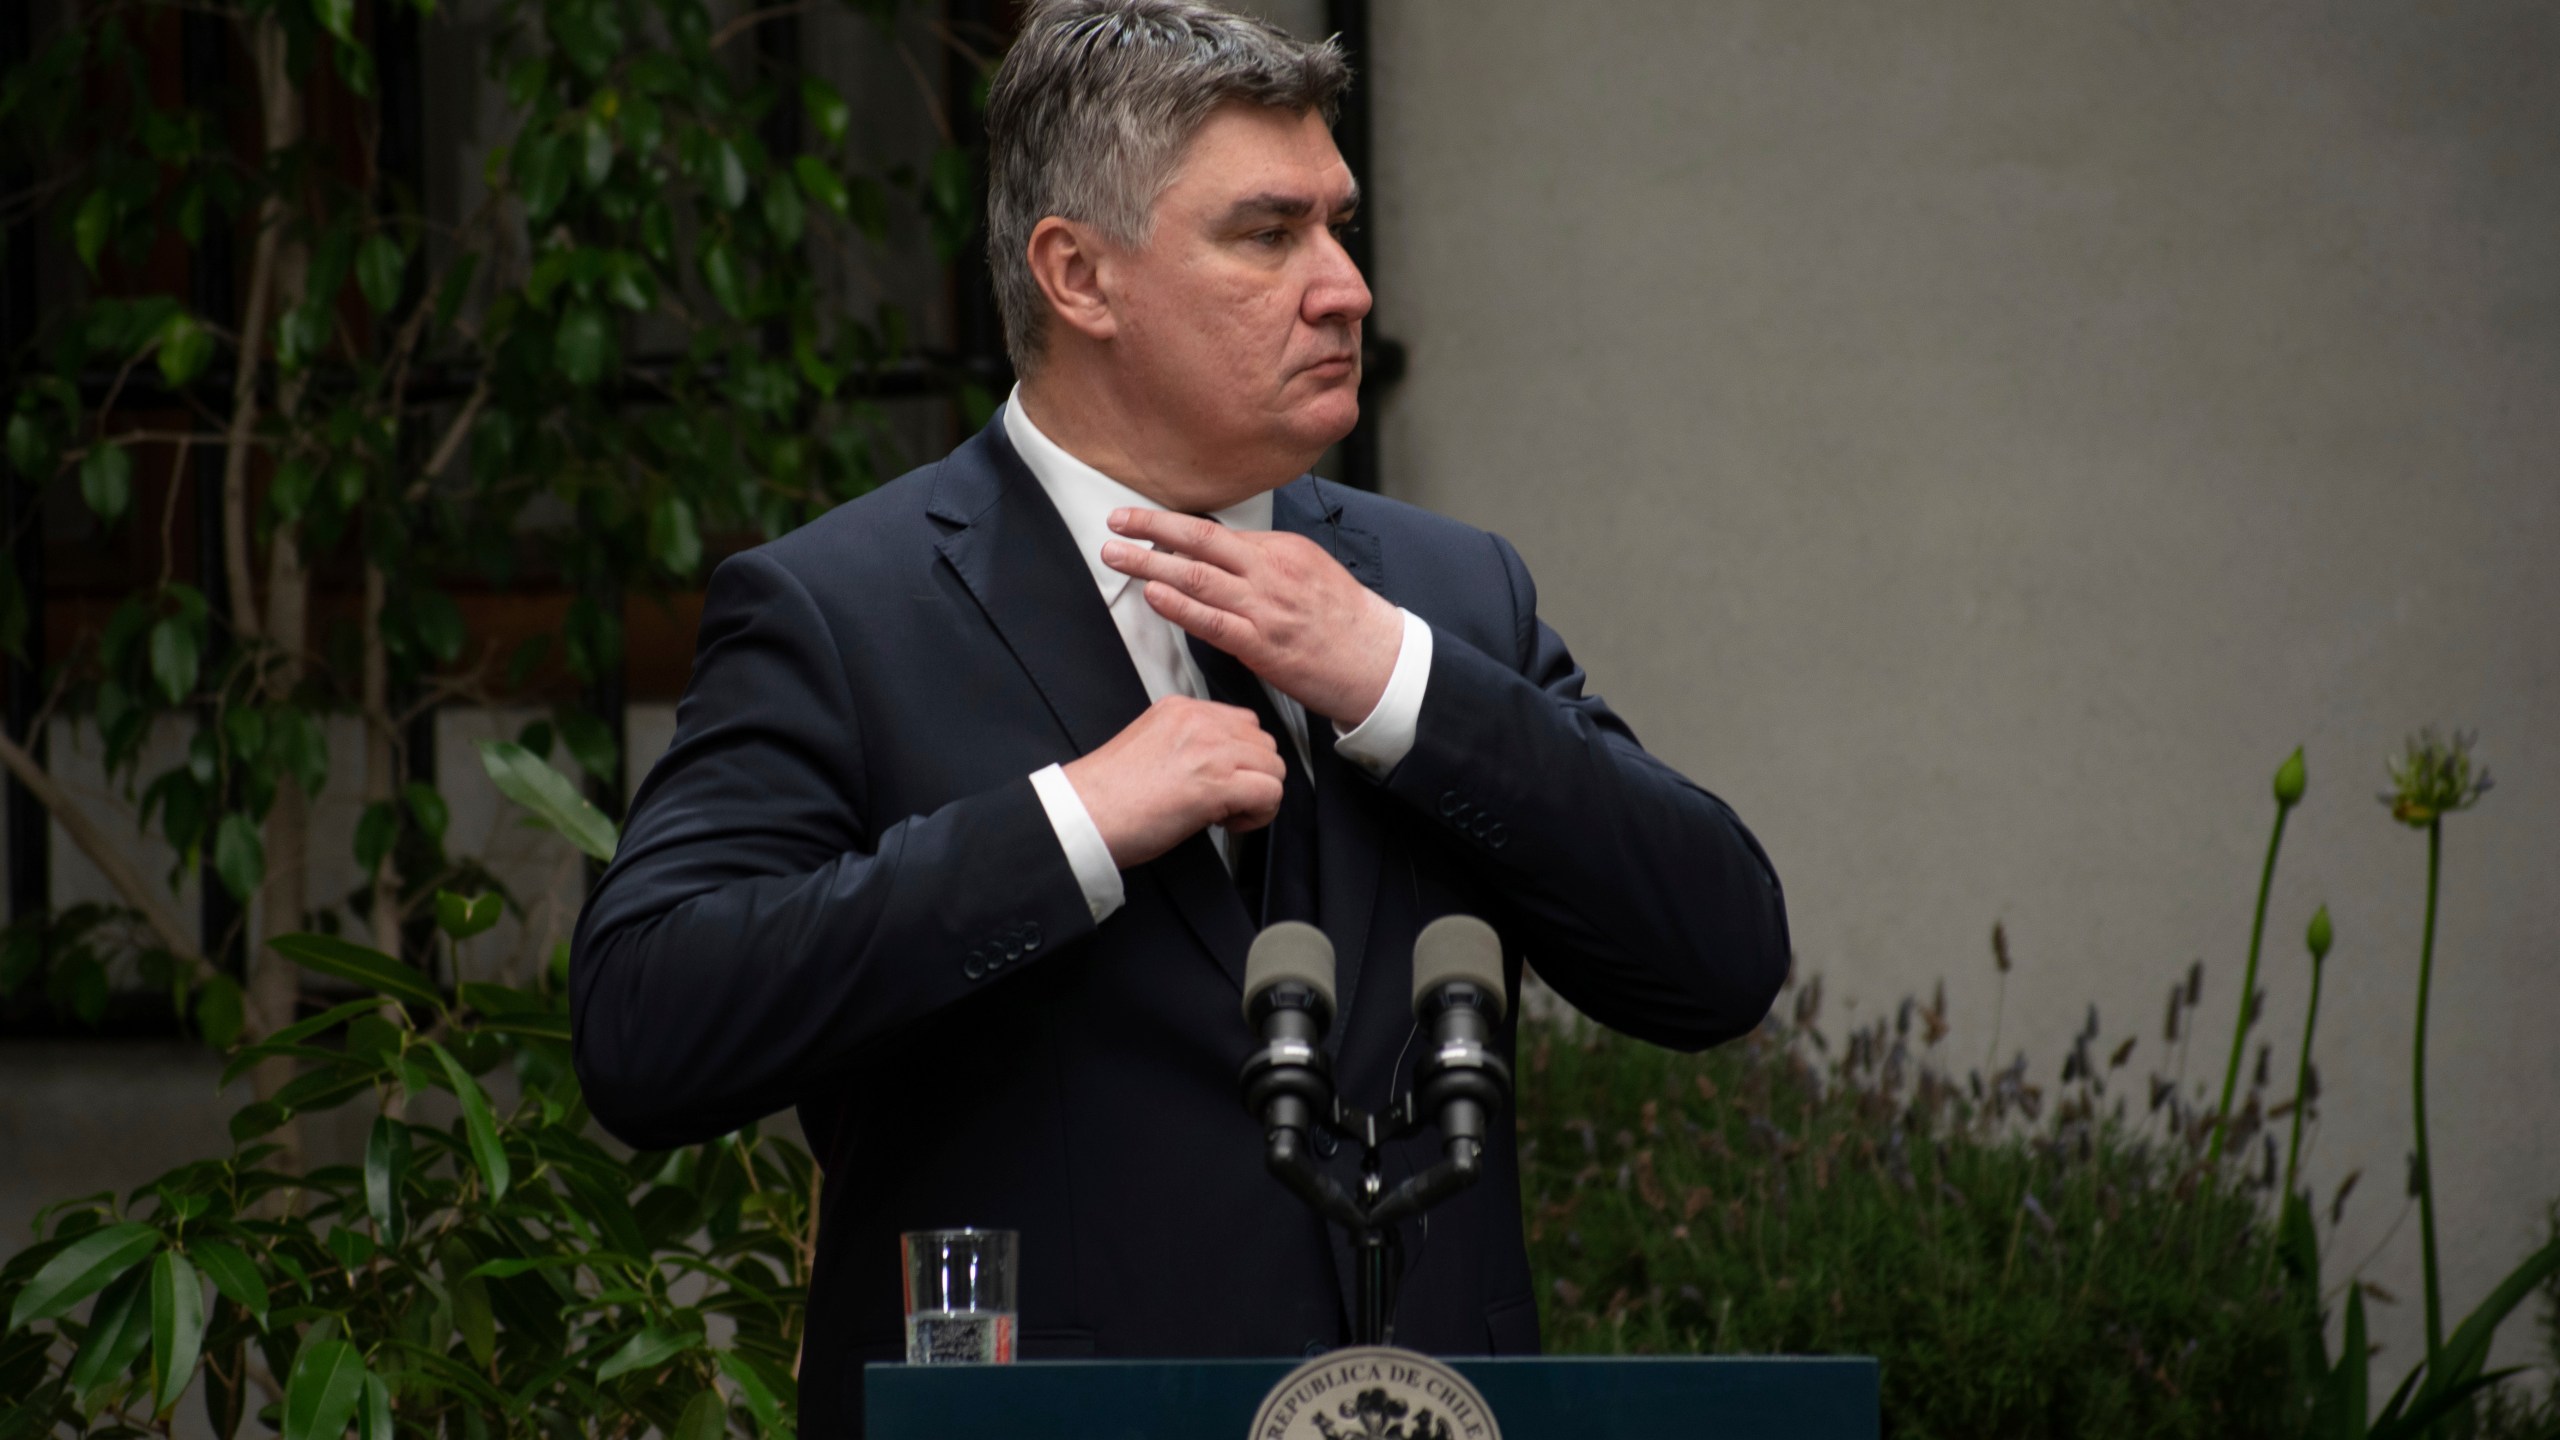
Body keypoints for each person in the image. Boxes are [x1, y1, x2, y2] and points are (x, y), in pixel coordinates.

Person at [569, 0, 1789, 1430]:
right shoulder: (840, 612)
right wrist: (1071, 823)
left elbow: (1717, 959)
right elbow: (646, 1028)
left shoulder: (1448, 597)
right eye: (1268, 236)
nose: (1343, 287)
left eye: (1338, 227)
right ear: (1078, 274)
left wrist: (1398, 685)